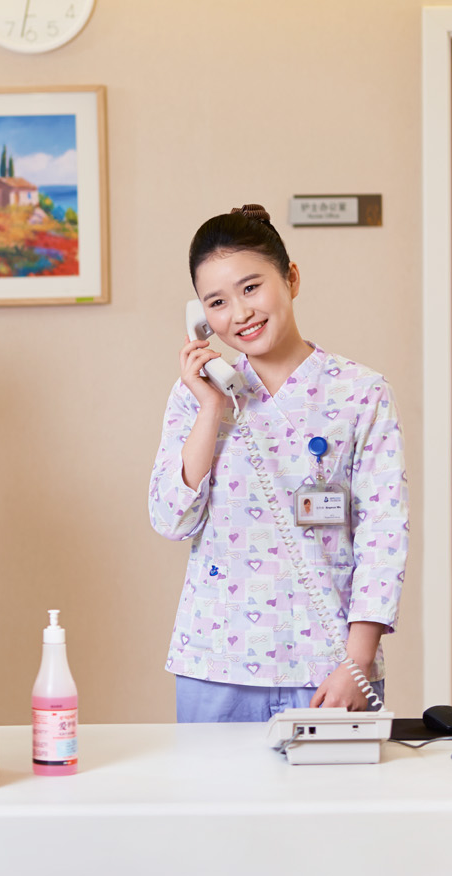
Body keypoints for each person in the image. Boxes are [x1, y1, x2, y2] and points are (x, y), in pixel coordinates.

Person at [148, 205, 408, 723]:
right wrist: (211, 408)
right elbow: (171, 519)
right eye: (217, 302)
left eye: (251, 288)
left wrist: (357, 663)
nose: (239, 313)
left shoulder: (361, 393)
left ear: (291, 279)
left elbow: (383, 534)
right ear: (200, 317)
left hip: (330, 669)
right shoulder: (196, 396)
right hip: (216, 663)